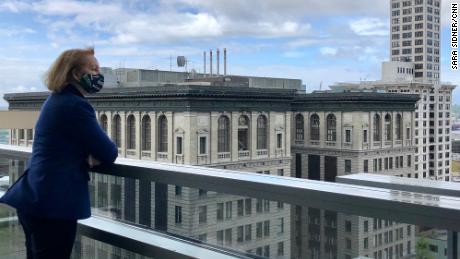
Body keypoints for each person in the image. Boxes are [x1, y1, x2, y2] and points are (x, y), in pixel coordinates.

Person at [0, 47, 118, 258]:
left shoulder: (56, 100)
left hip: (36, 198)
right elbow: (109, 152)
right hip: (52, 205)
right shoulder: (76, 106)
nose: (99, 74)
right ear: (75, 74)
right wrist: (90, 154)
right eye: (94, 68)